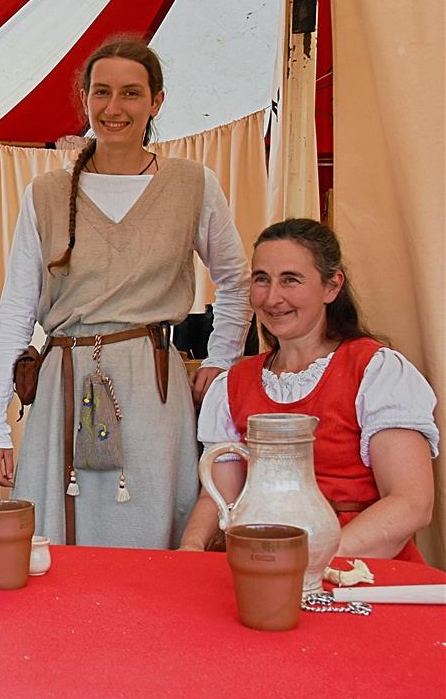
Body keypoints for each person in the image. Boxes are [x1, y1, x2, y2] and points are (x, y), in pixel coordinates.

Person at [0, 38, 251, 548]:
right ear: (84, 98)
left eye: (130, 93)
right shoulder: (47, 194)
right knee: (59, 538)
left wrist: (223, 359)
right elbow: (17, 307)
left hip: (151, 382)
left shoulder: (192, 183)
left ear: (156, 102)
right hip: (65, 375)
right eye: (101, 92)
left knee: (148, 523)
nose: (114, 107)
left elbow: (237, 278)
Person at [179, 218, 437, 561]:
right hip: (263, 560)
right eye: (262, 280)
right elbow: (218, 496)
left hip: (359, 563)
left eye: (291, 280)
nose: (273, 298)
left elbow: (411, 503)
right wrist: (191, 548)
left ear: (332, 287)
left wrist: (314, 561)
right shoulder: (234, 384)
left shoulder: (375, 371)